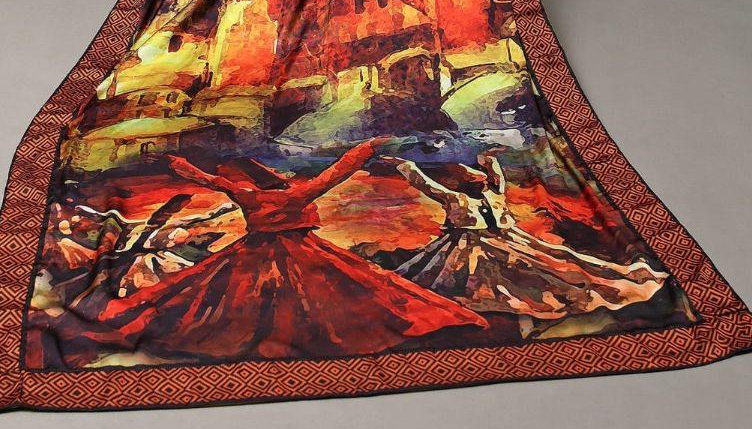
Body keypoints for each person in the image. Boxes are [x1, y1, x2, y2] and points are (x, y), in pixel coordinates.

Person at [32, 138, 491, 367]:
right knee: (361, 296)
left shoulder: (247, 195)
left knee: (202, 302)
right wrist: (366, 148)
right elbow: (338, 173)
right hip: (304, 256)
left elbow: (208, 180)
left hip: (248, 257)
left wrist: (180, 165)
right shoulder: (299, 194)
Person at [383, 154, 668, 325]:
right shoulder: (461, 197)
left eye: (478, 176)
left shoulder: (486, 194)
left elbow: (492, 176)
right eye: (473, 177)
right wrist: (405, 166)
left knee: (555, 264)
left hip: (499, 242)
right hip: (471, 245)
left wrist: (488, 160)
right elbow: (427, 184)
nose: (479, 179)